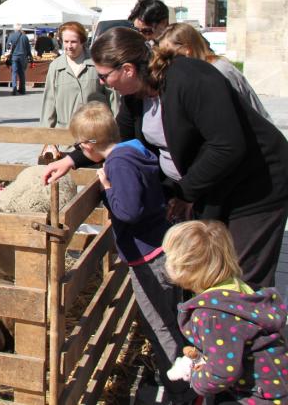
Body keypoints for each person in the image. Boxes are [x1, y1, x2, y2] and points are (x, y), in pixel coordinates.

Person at [42, 27, 288, 289]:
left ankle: (251, 326)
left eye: (104, 76)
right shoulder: (135, 97)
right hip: (210, 187)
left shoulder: (191, 79)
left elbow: (226, 146)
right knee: (211, 269)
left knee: (243, 275)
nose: (102, 83)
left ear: (127, 69)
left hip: (255, 187)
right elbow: (117, 139)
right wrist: (72, 159)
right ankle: (217, 324)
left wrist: (185, 193)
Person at [69, 102, 189, 401]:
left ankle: (181, 389)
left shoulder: (118, 165)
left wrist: (107, 189)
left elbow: (129, 211)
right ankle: (183, 377)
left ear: (90, 145)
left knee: (159, 323)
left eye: (79, 145)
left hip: (148, 257)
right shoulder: (133, 150)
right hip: (160, 247)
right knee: (170, 317)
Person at [163, 220, 288, 404]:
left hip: (260, 395)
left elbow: (223, 372)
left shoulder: (211, 315)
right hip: (275, 378)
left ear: (185, 268)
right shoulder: (234, 286)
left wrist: (197, 379)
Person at [158, 22, 272, 122]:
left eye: (169, 55)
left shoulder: (218, 70)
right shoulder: (200, 72)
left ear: (188, 50)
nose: (166, 62)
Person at [40, 21, 116, 129]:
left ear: (82, 41)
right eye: (66, 42)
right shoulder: (55, 67)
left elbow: (112, 96)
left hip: (96, 133)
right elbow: (49, 102)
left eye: (73, 42)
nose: (69, 46)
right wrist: (48, 139)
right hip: (66, 135)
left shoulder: (98, 62)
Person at [6, 23, 32, 95]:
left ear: (14, 29)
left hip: (14, 56)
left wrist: (9, 51)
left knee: (14, 73)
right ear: (20, 29)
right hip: (23, 57)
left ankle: (14, 88)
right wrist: (30, 56)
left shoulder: (11, 36)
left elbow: (7, 46)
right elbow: (28, 48)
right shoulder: (25, 37)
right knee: (22, 73)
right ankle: (22, 89)